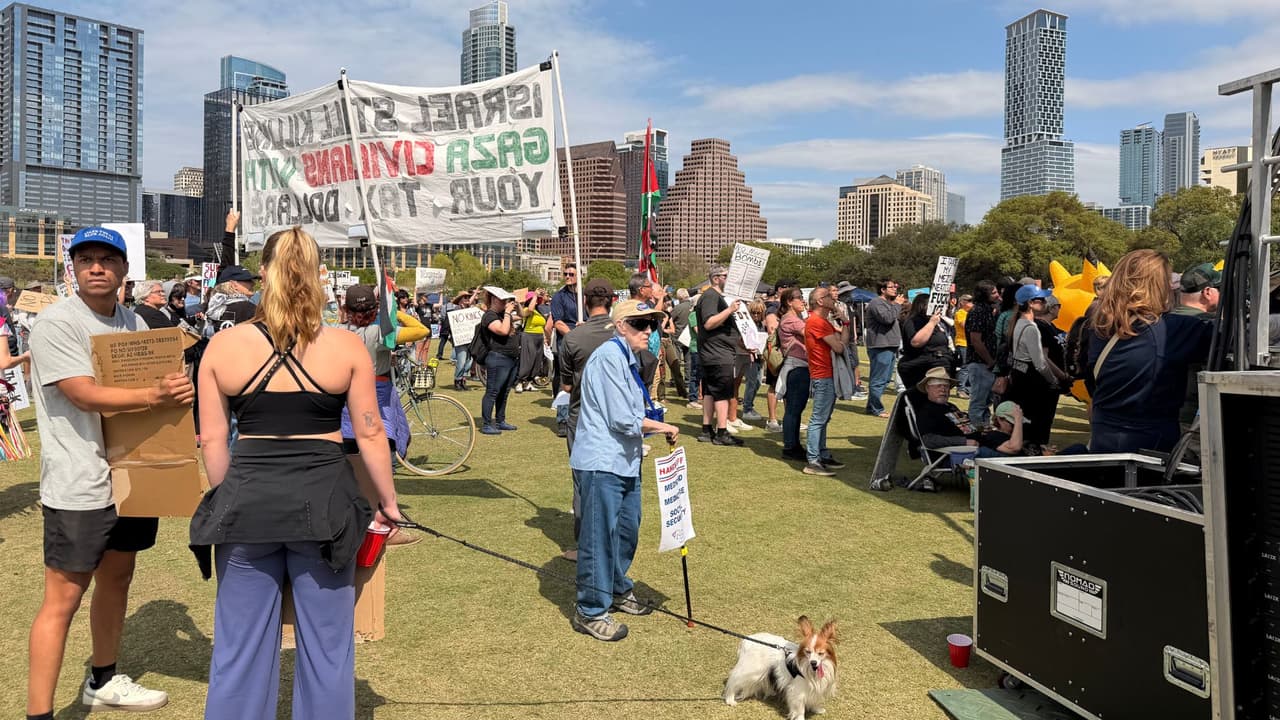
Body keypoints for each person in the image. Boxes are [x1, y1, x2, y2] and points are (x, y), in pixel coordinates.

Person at [190, 227, 403, 720]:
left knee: (238, 652)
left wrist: (229, 499)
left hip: (247, 506)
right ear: (318, 277)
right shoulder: (347, 347)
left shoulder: (222, 349)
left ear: (263, 274)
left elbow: (214, 441)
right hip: (325, 509)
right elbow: (371, 434)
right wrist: (389, 503)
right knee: (328, 651)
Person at [27, 227, 194, 717]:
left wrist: (174, 389)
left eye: (107, 259)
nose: (96, 267)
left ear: (124, 270)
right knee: (63, 597)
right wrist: (154, 395)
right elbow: (81, 392)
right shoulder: (57, 323)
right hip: (79, 480)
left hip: (132, 473)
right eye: (86, 259)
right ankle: (39, 713)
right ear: (73, 269)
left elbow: (155, 391)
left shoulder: (135, 325)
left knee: (119, 575)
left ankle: (103, 678)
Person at [569, 298, 680, 642]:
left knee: (627, 529)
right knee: (599, 536)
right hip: (603, 461)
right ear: (620, 326)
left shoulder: (627, 358)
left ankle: (617, 587)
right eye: (639, 324)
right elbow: (622, 419)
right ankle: (590, 609)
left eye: (652, 324)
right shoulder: (607, 358)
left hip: (625, 459)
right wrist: (663, 428)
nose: (648, 331)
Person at [1085, 249, 1213, 453]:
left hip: (1103, 436)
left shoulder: (1099, 327)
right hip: (1151, 444)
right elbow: (1236, 335)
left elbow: (1091, 381)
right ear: (1160, 286)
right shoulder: (1171, 329)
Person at [337, 284, 428, 547]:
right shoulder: (382, 333)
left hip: (345, 400)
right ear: (375, 308)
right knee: (380, 462)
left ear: (346, 308)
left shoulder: (337, 332)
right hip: (376, 397)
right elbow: (421, 331)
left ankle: (357, 517)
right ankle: (383, 522)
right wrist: (396, 311)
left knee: (350, 461)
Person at [558, 279, 617, 561]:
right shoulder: (622, 335)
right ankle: (612, 538)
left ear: (585, 303)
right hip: (615, 417)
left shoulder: (573, 339)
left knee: (583, 481)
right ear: (612, 301)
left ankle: (586, 546)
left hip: (582, 416)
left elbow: (567, 386)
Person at [1005, 285, 1069, 446]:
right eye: (1040, 300)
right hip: (1034, 383)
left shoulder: (1018, 323)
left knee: (1025, 424)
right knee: (1038, 427)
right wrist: (1054, 380)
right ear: (1030, 303)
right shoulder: (1031, 328)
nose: (1044, 303)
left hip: (1020, 378)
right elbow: (1040, 363)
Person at [802, 286, 850, 476]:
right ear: (820, 301)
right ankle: (813, 460)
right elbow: (839, 347)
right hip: (823, 375)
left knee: (823, 418)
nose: (833, 298)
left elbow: (843, 342)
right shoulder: (816, 322)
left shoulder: (823, 321)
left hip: (827, 374)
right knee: (818, 419)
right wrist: (842, 333)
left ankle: (821, 454)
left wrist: (845, 322)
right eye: (828, 296)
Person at [695, 266, 743, 446]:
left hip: (714, 352)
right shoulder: (711, 296)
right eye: (725, 276)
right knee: (722, 392)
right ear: (716, 279)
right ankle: (722, 432)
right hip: (717, 353)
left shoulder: (713, 297)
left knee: (710, 391)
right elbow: (709, 323)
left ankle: (707, 430)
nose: (728, 279)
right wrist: (729, 310)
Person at [478, 286, 522, 435]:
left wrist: (518, 304)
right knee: (493, 391)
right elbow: (503, 331)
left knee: (504, 391)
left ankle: (500, 420)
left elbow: (522, 316)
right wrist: (508, 312)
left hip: (510, 358)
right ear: (495, 299)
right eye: (504, 300)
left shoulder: (503, 314)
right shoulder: (490, 316)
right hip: (498, 358)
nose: (506, 303)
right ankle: (486, 424)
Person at [775, 287, 811, 462]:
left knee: (795, 409)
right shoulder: (791, 320)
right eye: (799, 298)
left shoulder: (792, 318)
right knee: (794, 409)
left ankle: (793, 444)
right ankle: (791, 446)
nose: (802, 301)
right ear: (789, 301)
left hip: (799, 366)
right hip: (797, 367)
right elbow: (811, 333)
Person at [864, 278, 903, 418]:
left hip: (890, 344)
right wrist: (897, 305)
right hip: (881, 345)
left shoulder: (888, 303)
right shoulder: (876, 303)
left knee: (885, 378)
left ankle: (871, 406)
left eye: (895, 286)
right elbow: (887, 318)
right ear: (883, 289)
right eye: (892, 287)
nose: (895, 289)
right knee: (879, 379)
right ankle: (877, 408)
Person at [897, 293, 951, 391]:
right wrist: (931, 323)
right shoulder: (914, 321)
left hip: (939, 363)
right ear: (923, 305)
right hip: (922, 367)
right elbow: (916, 342)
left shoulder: (937, 321)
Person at [965, 280, 1001, 426]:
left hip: (986, 363)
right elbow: (976, 339)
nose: (997, 295)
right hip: (981, 363)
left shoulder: (987, 310)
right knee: (979, 402)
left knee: (986, 401)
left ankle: (983, 429)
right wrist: (989, 360)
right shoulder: (978, 311)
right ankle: (977, 433)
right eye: (993, 293)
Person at [551, 264, 580, 437]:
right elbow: (557, 322)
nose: (567, 276)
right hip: (567, 341)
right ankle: (563, 419)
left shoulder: (585, 296)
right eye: (565, 274)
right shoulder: (559, 296)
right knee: (565, 379)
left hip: (584, 339)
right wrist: (574, 334)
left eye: (571, 274)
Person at [516, 289, 550, 393]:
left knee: (536, 361)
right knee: (528, 360)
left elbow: (543, 325)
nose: (536, 301)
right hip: (529, 335)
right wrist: (535, 295)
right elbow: (530, 310)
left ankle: (529, 382)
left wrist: (545, 338)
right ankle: (520, 382)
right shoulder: (527, 309)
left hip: (539, 337)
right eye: (534, 299)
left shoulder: (539, 311)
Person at [953, 294, 972, 398]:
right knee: (965, 366)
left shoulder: (970, 313)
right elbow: (965, 325)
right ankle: (961, 389)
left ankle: (968, 389)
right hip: (962, 343)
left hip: (970, 343)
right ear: (962, 303)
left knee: (970, 367)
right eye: (969, 301)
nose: (972, 304)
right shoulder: (960, 313)